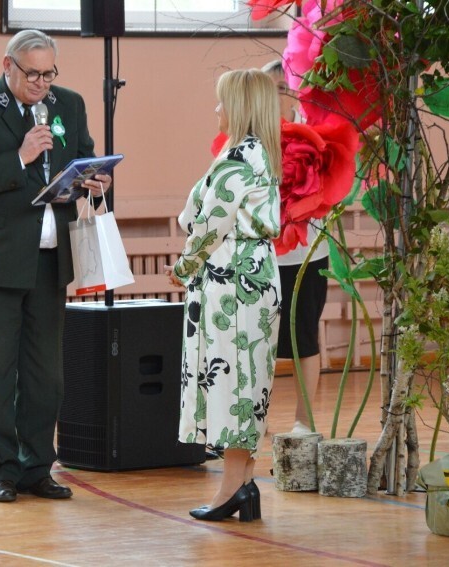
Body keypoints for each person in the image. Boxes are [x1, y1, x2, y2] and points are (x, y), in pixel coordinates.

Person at [0, 29, 111, 503]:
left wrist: (95, 180)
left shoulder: (69, 104)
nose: (42, 83)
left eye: (48, 73)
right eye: (33, 73)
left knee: (45, 377)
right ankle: (1, 469)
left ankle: (38, 467)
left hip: (49, 258)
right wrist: (19, 157)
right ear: (8, 66)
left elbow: (84, 159)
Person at [166, 69, 282, 522]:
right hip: (253, 275)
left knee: (233, 383)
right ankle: (243, 484)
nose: (216, 109)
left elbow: (210, 226)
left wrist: (182, 268)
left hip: (233, 280)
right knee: (247, 380)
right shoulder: (259, 152)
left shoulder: (239, 157)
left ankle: (231, 489)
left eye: (222, 101)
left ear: (240, 106)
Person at [261, 59, 329, 434]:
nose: (273, 97)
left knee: (304, 338)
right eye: (266, 90)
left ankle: (304, 421)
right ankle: (257, 421)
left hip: (307, 255)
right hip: (264, 255)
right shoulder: (254, 135)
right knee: (260, 341)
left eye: (279, 89)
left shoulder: (311, 130)